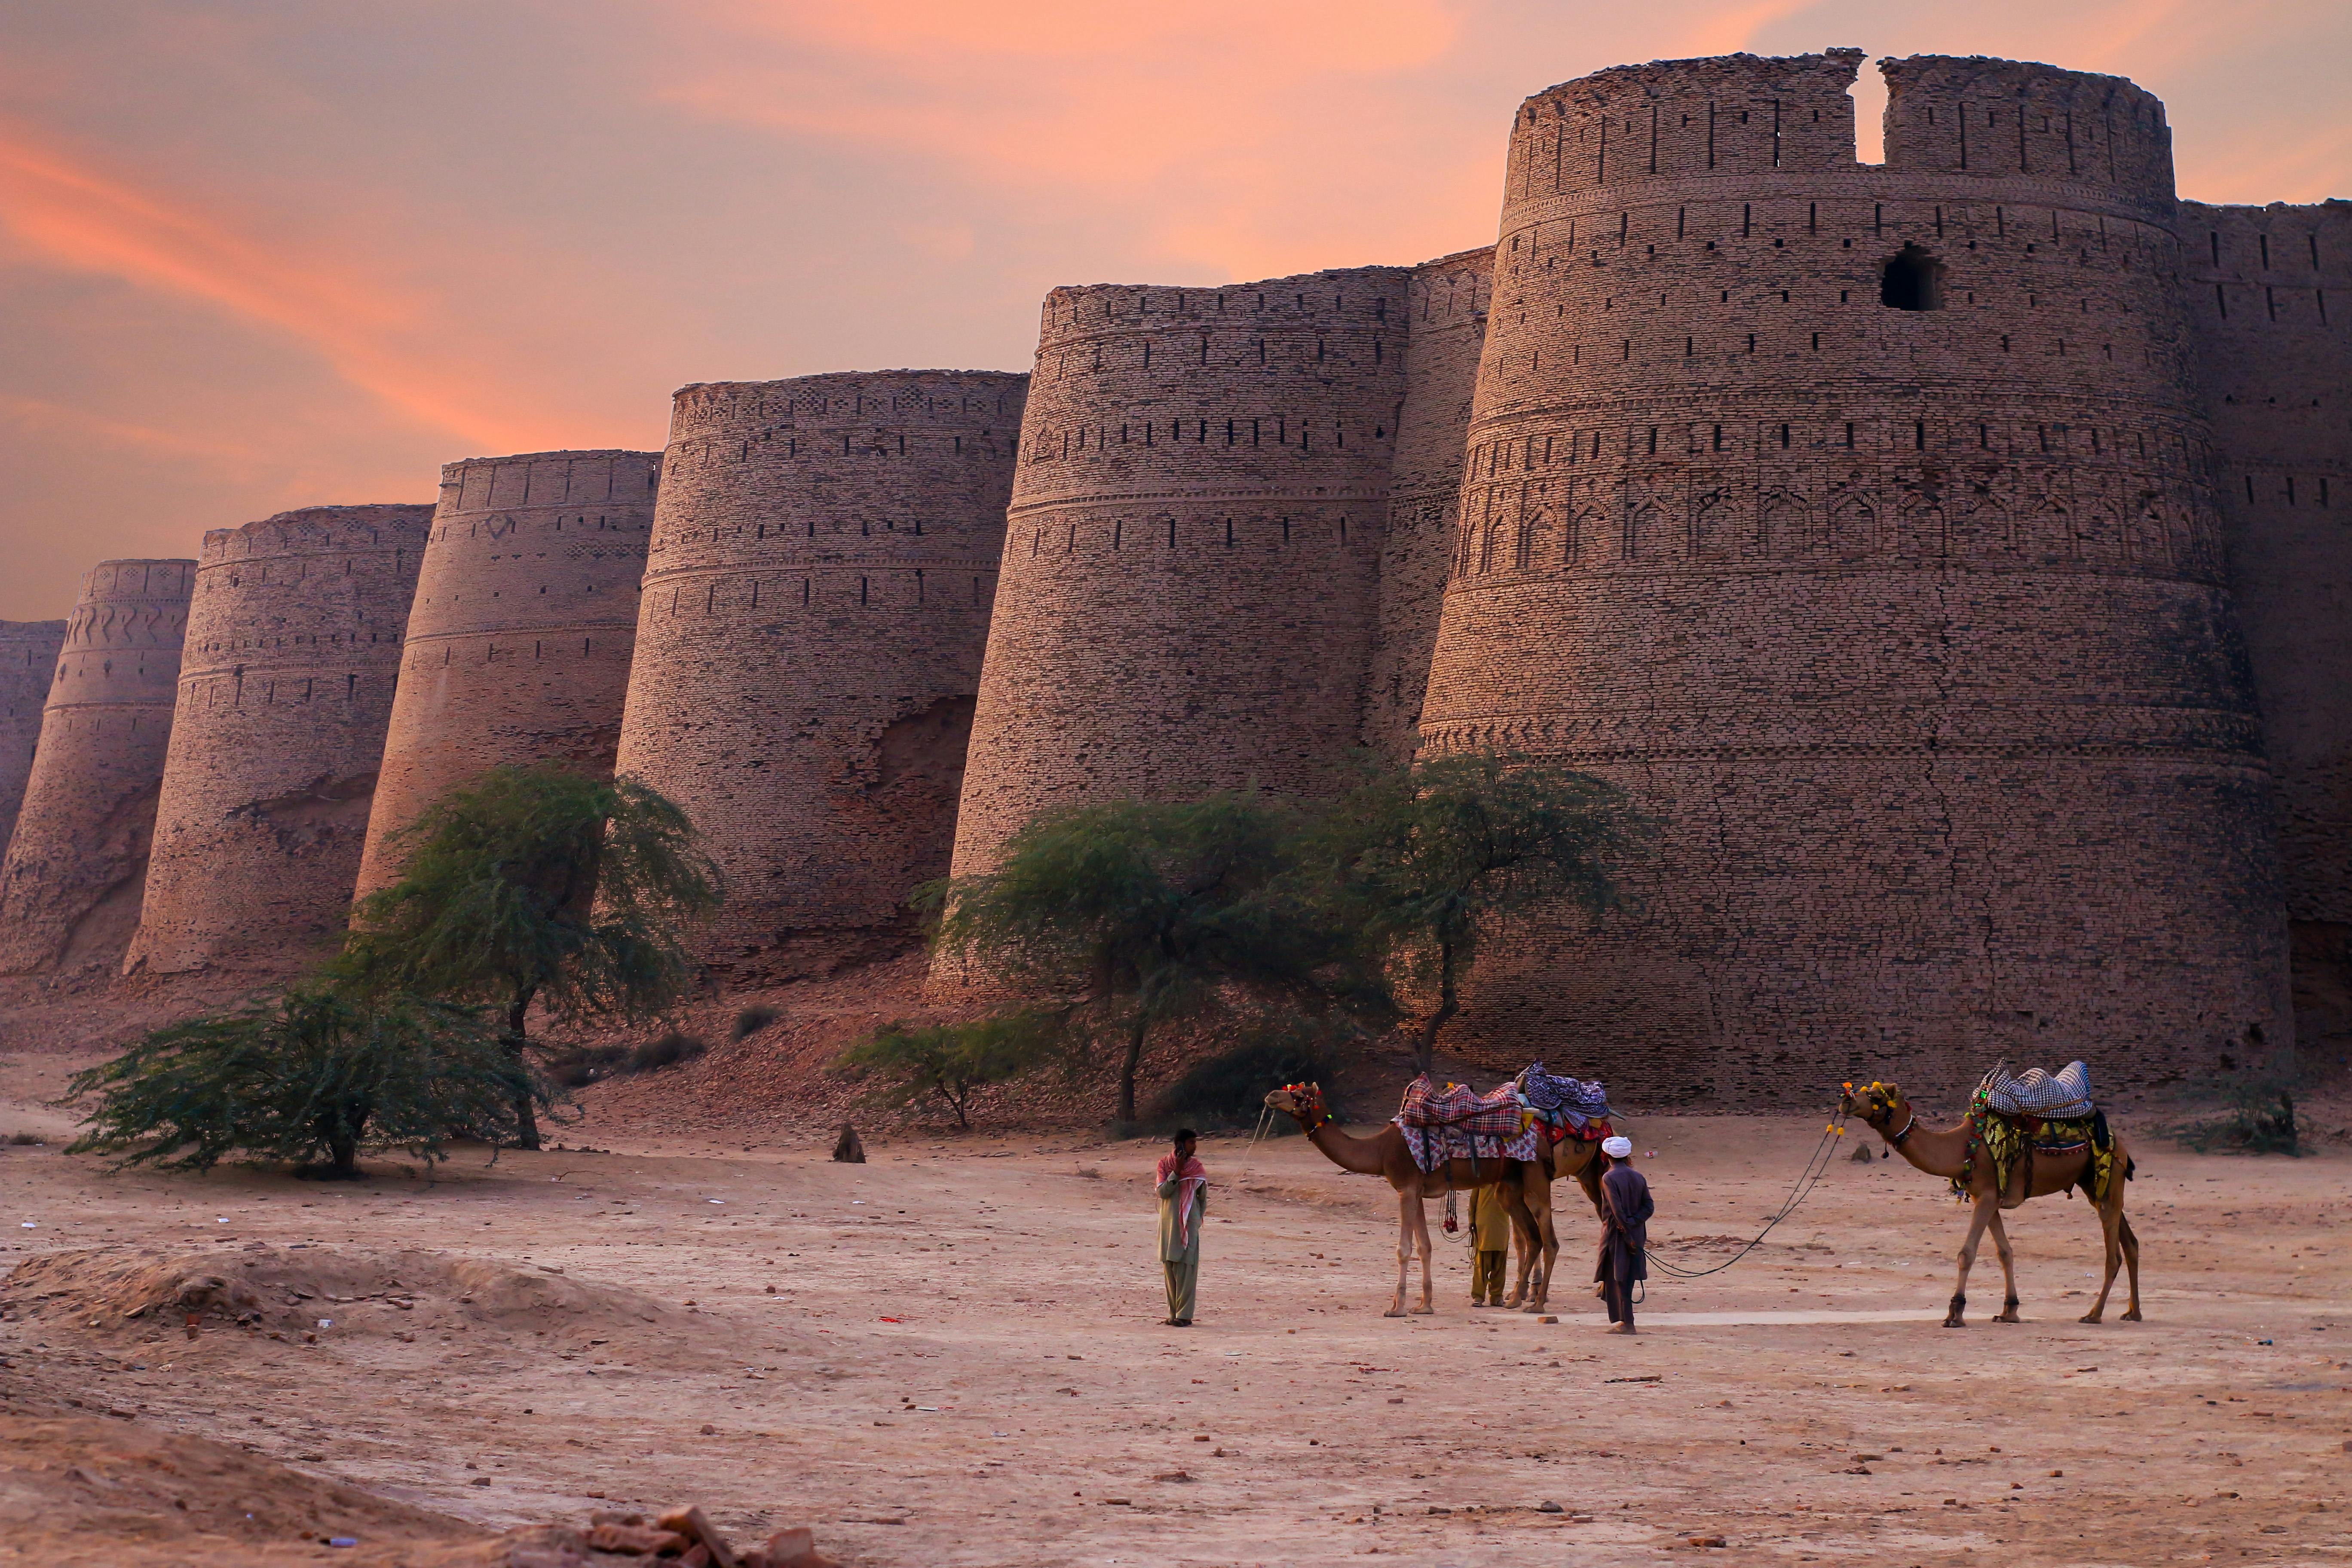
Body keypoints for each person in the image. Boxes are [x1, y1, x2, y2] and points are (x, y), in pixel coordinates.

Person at [1593, 1134, 1651, 1334]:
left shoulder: (1609, 1178)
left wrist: (1626, 1233)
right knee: (1626, 1277)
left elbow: (1617, 1211)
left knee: (1619, 1277)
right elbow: (1649, 1207)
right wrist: (1634, 1225)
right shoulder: (1639, 1177)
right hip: (1636, 1233)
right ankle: (1626, 1321)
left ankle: (1628, 1323)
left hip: (1617, 1235)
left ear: (1607, 1156)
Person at [1156, 1129, 1208, 1326]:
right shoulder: (1164, 1165)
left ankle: (1185, 1316)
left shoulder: (1197, 1167)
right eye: (1191, 1143)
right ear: (1179, 1145)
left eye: (1195, 1142)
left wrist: (1194, 1220)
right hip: (1169, 1225)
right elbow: (1163, 1193)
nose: (1195, 1146)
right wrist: (1176, 1172)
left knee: (1186, 1269)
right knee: (1170, 1267)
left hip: (1189, 1225)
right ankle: (1173, 1315)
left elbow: (1202, 1199)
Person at [1468, 1181, 1509, 1307]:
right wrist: (1472, 1221)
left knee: (1499, 1263)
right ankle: (1479, 1296)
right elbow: (1473, 1201)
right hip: (1484, 1225)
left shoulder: (1508, 1179)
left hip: (1501, 1223)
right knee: (1482, 1264)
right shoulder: (1483, 1179)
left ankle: (1496, 1296)